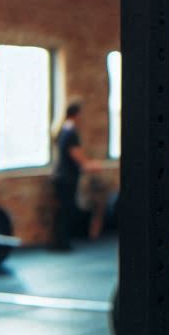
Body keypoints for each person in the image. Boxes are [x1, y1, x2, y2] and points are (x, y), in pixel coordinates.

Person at [50, 100, 102, 250]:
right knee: (66, 210)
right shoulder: (70, 132)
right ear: (77, 115)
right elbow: (76, 155)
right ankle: (62, 243)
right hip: (66, 178)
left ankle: (60, 242)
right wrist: (91, 165)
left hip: (61, 176)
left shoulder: (63, 130)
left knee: (63, 210)